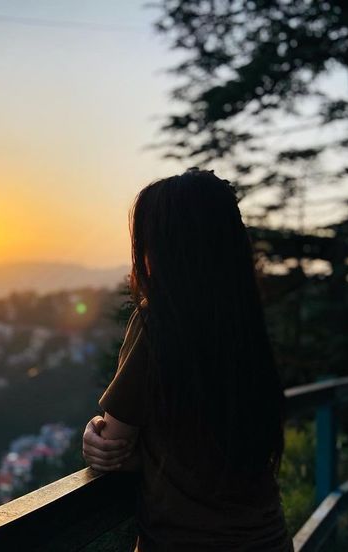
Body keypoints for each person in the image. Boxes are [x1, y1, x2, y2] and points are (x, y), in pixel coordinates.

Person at [82, 169, 293, 551]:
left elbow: (114, 445)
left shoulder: (158, 319)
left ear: (160, 247)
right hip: (268, 539)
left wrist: (95, 431)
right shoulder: (244, 322)